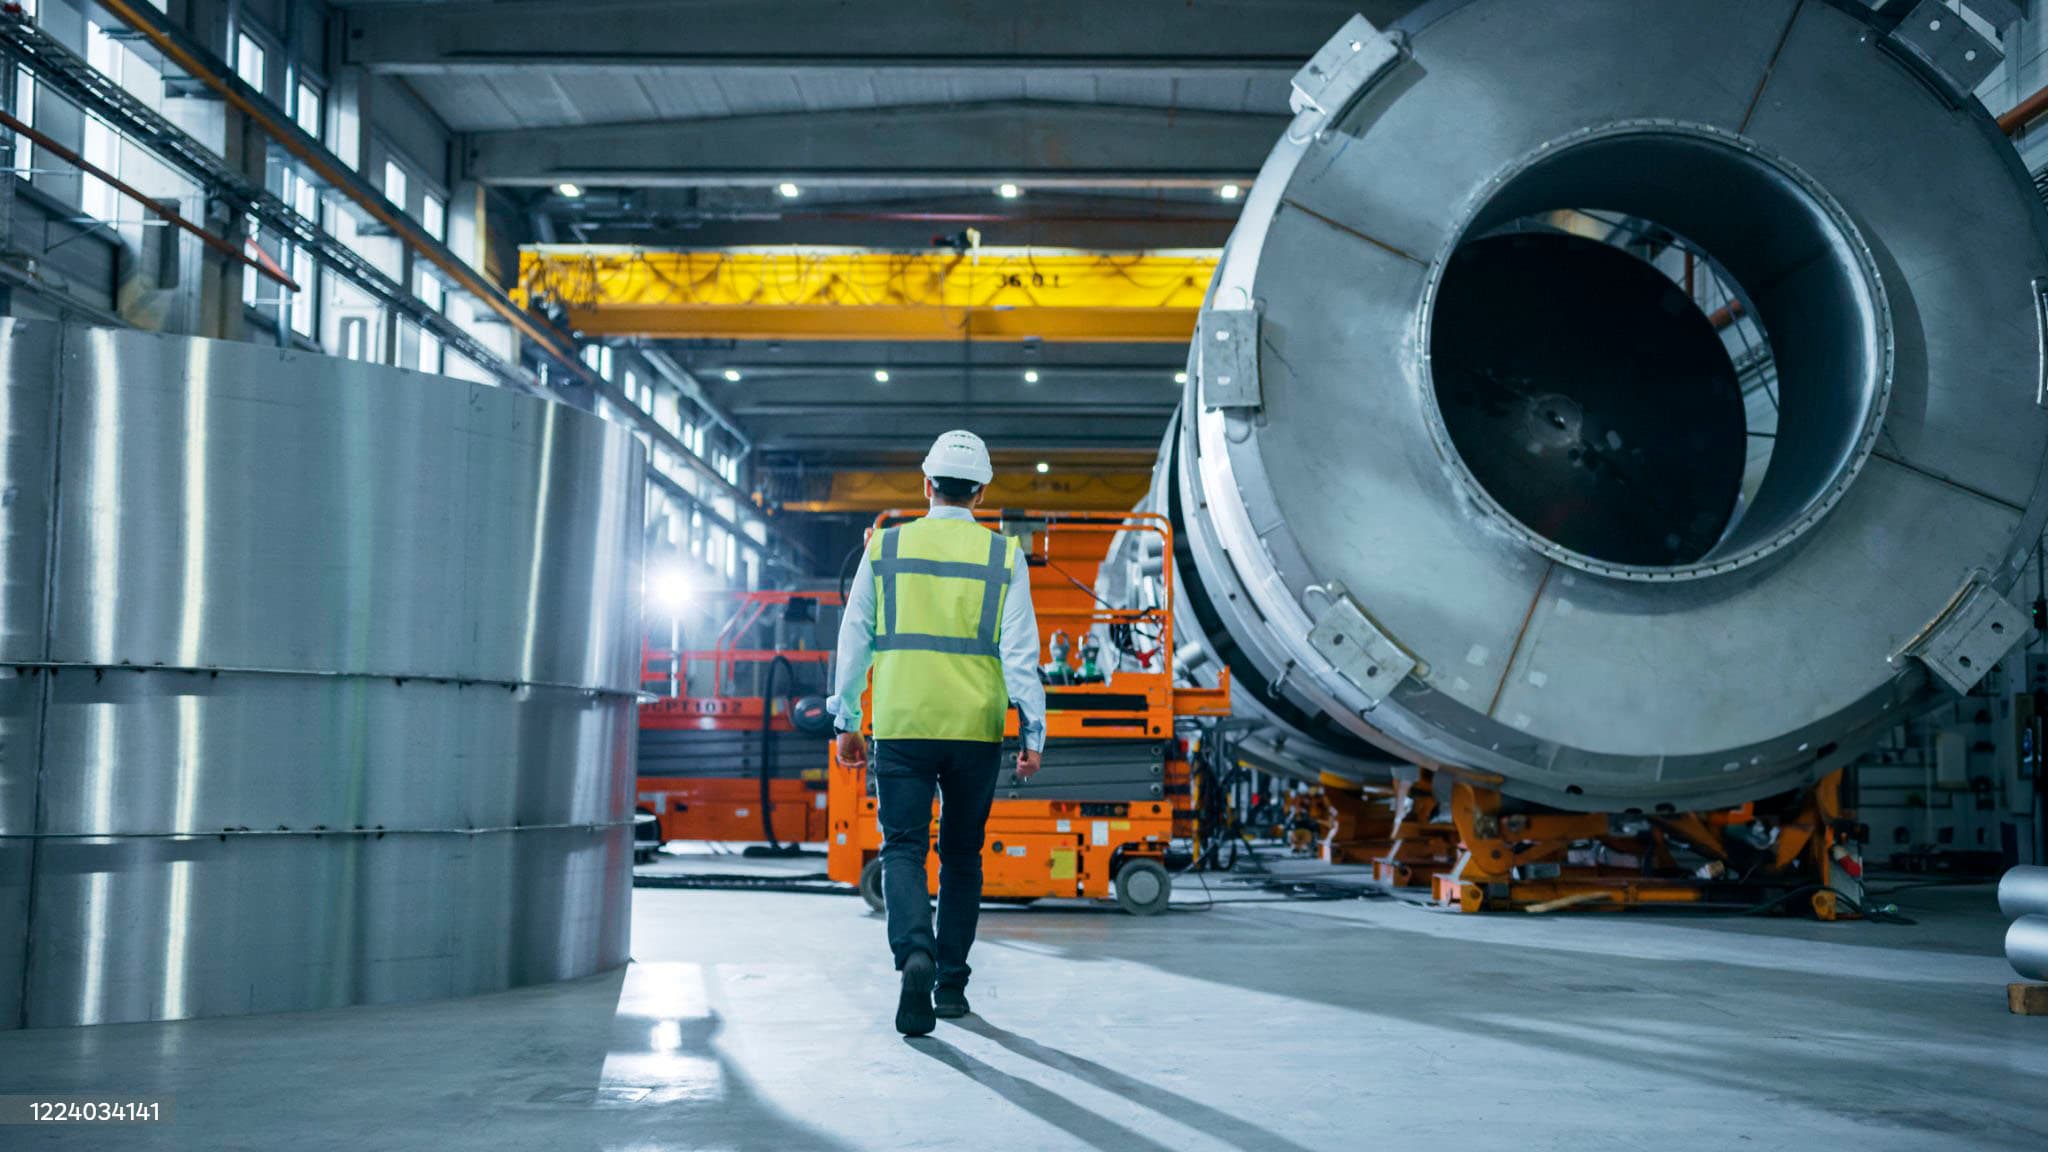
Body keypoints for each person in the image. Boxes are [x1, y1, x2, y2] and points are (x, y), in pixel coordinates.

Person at [828, 429, 1047, 1037]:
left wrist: (846, 719)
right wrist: (1033, 731)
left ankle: (914, 952)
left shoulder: (884, 547)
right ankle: (949, 984)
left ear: (926, 486)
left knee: (902, 847)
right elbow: (1020, 653)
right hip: (974, 729)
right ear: (980, 492)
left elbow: (855, 638)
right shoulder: (1004, 555)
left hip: (901, 722)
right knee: (960, 856)